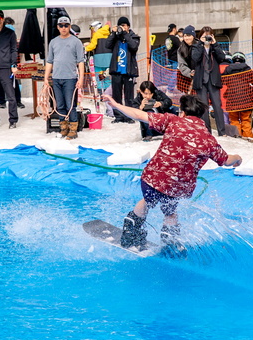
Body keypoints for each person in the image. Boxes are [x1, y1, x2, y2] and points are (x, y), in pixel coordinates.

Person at [103, 92, 241, 254]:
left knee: (147, 200)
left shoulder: (173, 121)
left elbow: (139, 115)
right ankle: (170, 240)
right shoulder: (208, 140)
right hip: (175, 187)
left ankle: (131, 227)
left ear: (183, 112)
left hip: (152, 177)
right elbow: (226, 160)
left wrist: (116, 105)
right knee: (170, 212)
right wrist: (237, 158)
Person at [185, 26, 234, 136]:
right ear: (200, 37)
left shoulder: (215, 47)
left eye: (209, 36)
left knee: (217, 106)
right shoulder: (196, 47)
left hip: (213, 80)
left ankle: (222, 132)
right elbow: (195, 58)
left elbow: (222, 57)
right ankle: (207, 132)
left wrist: (214, 44)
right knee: (204, 107)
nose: (207, 38)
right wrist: (201, 44)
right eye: (204, 36)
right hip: (201, 81)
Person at [44, 15, 86, 139]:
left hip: (70, 78)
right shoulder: (53, 42)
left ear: (69, 26)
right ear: (58, 27)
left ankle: (73, 129)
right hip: (56, 78)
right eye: (61, 25)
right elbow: (49, 61)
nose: (63, 28)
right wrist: (46, 78)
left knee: (70, 105)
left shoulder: (76, 42)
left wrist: (81, 79)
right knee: (59, 105)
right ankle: (63, 128)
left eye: (66, 25)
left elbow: (81, 61)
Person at [105, 16, 141, 122]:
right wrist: (113, 33)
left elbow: (134, 47)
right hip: (117, 70)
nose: (122, 27)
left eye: (124, 25)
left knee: (129, 96)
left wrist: (125, 33)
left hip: (128, 70)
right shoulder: (116, 37)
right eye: (121, 25)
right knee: (116, 95)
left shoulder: (134, 37)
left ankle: (129, 116)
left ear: (128, 26)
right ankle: (119, 116)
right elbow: (107, 45)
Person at [221, 51, 253, 139]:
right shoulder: (248, 69)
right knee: (246, 120)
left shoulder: (228, 70)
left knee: (234, 120)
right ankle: (248, 137)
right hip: (246, 100)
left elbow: (223, 81)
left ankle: (237, 136)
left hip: (232, 100)